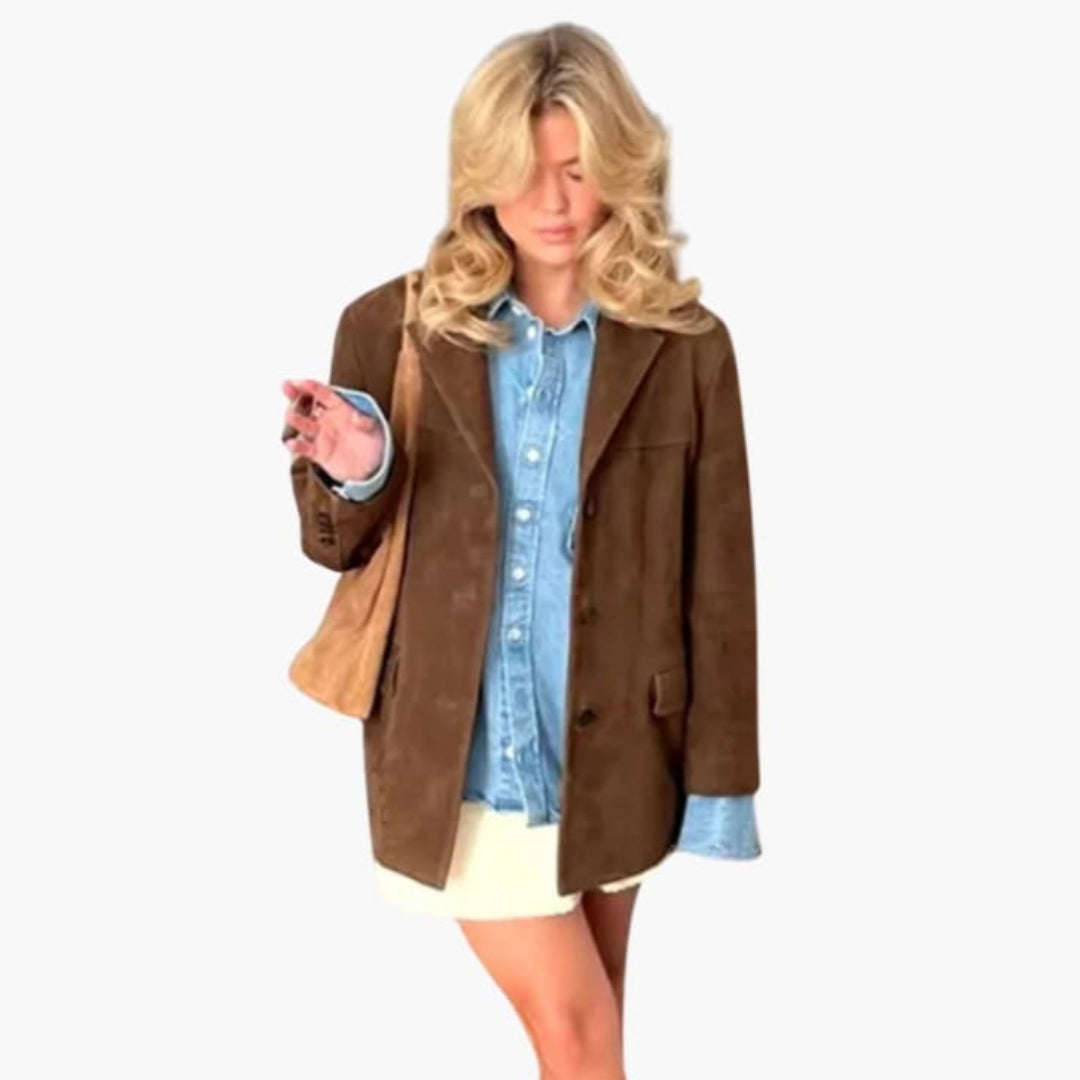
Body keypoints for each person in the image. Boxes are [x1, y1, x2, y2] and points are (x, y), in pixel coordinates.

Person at [281, 22, 761, 1079]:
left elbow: (721, 580)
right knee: (583, 1038)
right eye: (524, 169)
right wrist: (361, 466)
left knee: (590, 1032)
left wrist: (721, 786)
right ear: (479, 171)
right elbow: (332, 545)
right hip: (465, 752)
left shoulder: (687, 346)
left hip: (624, 751)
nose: (552, 201)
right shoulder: (392, 325)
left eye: (579, 169)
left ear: (623, 167)